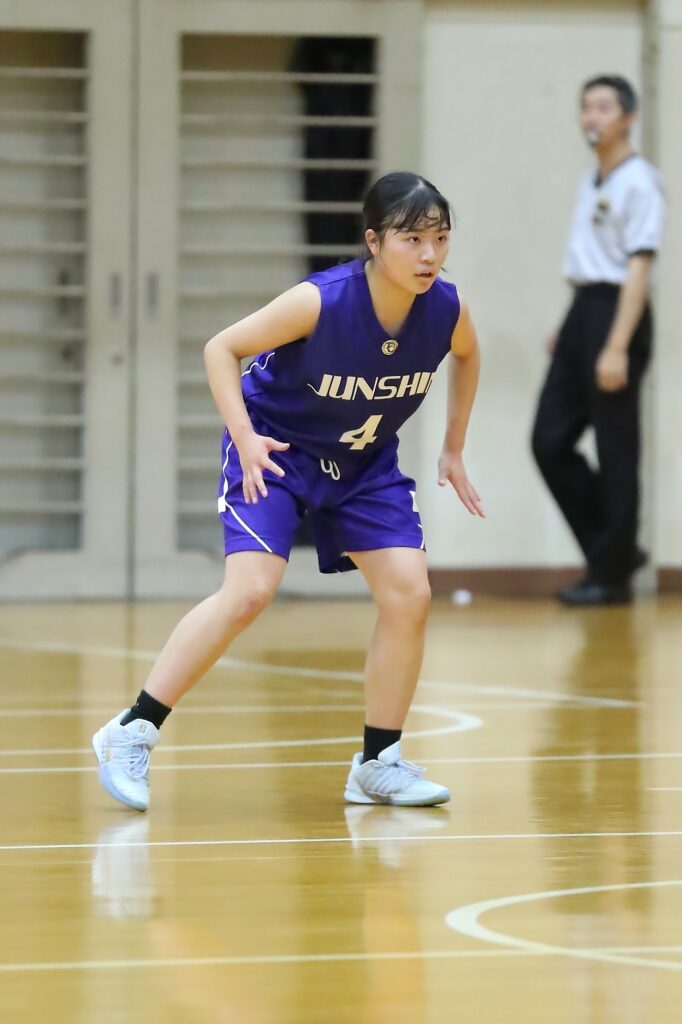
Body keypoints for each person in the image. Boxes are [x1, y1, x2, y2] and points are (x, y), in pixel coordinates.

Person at [92, 172, 483, 811]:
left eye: (440, 238)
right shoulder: (320, 301)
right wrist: (244, 437)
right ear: (374, 242)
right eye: (412, 239)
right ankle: (131, 729)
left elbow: (467, 354)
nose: (429, 254)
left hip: (363, 464)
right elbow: (222, 349)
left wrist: (454, 446)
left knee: (410, 593)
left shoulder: (446, 308)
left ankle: (377, 763)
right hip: (276, 450)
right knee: (250, 591)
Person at [531, 75, 666, 606]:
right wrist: (570, 330)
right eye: (586, 107)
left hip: (618, 312)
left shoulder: (640, 182)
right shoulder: (593, 179)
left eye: (604, 107)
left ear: (628, 118)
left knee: (615, 448)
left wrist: (615, 344)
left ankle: (610, 575)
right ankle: (616, 551)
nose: (592, 117)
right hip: (584, 309)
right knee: (549, 440)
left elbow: (638, 267)